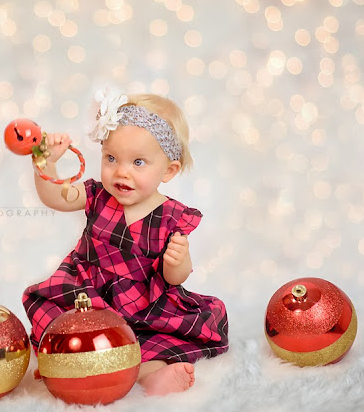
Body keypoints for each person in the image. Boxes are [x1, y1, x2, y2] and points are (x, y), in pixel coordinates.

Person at [22, 89, 229, 396]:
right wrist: (47, 166)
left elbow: (176, 278)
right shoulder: (96, 195)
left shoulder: (172, 217)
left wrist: (177, 262)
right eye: (111, 158)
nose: (121, 171)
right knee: (57, 317)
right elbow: (56, 196)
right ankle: (72, 361)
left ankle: (148, 372)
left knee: (149, 339)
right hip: (85, 294)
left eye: (138, 162)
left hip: (141, 306)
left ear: (168, 170)